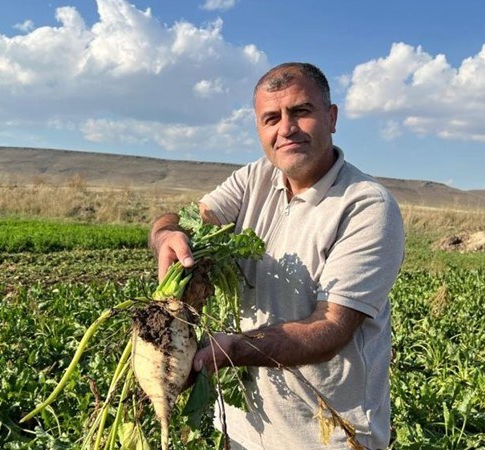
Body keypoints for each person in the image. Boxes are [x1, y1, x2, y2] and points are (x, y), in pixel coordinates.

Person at [149, 62, 405, 449]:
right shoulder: (255, 177)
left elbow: (331, 328)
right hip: (246, 429)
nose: (286, 128)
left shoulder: (366, 206)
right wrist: (166, 234)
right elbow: (188, 218)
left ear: (331, 117)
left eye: (301, 111)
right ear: (259, 129)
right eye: (271, 118)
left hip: (327, 434)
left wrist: (234, 348)